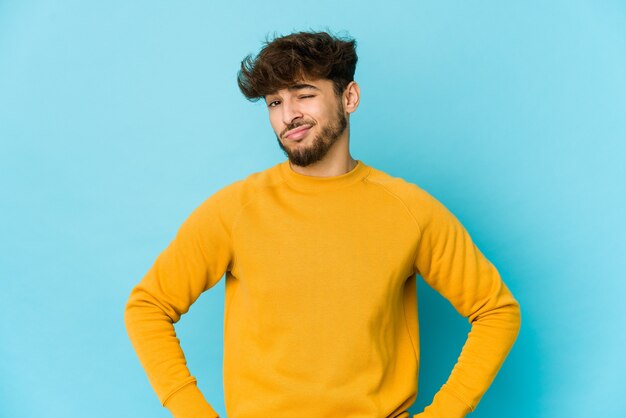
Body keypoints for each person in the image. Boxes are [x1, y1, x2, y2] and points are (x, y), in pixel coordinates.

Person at [124, 30, 521, 418]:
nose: (288, 115)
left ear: (349, 97)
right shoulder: (236, 210)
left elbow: (496, 310)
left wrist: (446, 412)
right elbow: (148, 306)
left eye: (305, 95)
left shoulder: (409, 209)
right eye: (274, 102)